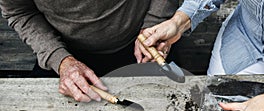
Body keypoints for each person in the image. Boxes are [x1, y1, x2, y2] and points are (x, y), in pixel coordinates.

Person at [0, 0, 178, 102]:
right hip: (64, 52)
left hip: (142, 41)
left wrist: (154, 23)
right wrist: (58, 58)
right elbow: (19, 11)